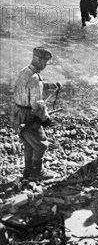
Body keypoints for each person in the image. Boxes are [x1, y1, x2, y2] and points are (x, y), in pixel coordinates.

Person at [12, 47, 61, 181]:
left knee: (28, 144)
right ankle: (37, 172)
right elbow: (38, 104)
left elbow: (30, 87)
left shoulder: (25, 71)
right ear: (38, 60)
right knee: (41, 144)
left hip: (18, 114)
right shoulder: (34, 78)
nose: (45, 65)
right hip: (29, 116)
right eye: (45, 62)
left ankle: (27, 172)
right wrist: (45, 118)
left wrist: (49, 85)